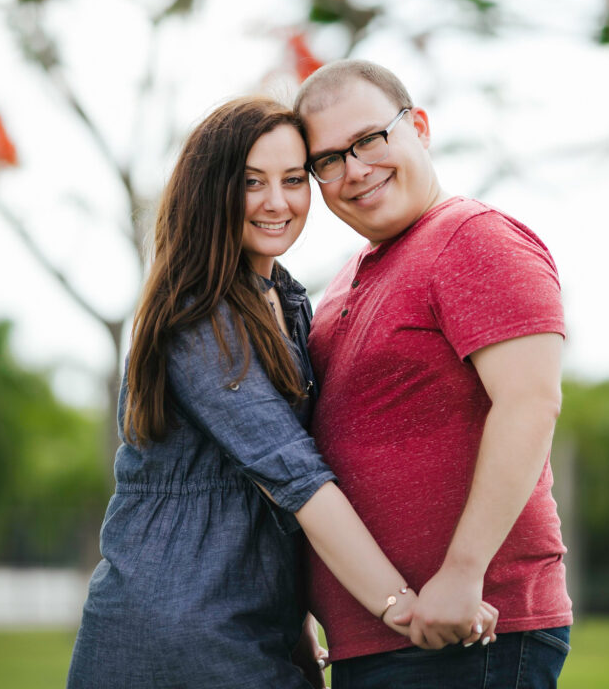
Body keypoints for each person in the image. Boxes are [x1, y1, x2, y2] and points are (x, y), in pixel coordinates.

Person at [67, 96, 498, 689]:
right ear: (210, 190)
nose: (278, 202)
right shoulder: (199, 315)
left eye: (294, 179)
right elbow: (294, 477)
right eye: (251, 182)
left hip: (258, 628)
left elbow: (267, 507)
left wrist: (298, 630)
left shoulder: (289, 303)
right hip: (172, 633)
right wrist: (400, 606)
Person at [296, 60, 573, 689]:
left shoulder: (473, 239)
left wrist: (462, 571)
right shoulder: (349, 274)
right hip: (383, 638)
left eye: (369, 139)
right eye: (329, 160)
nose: (355, 170)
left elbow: (529, 402)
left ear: (418, 126)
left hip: (470, 631)